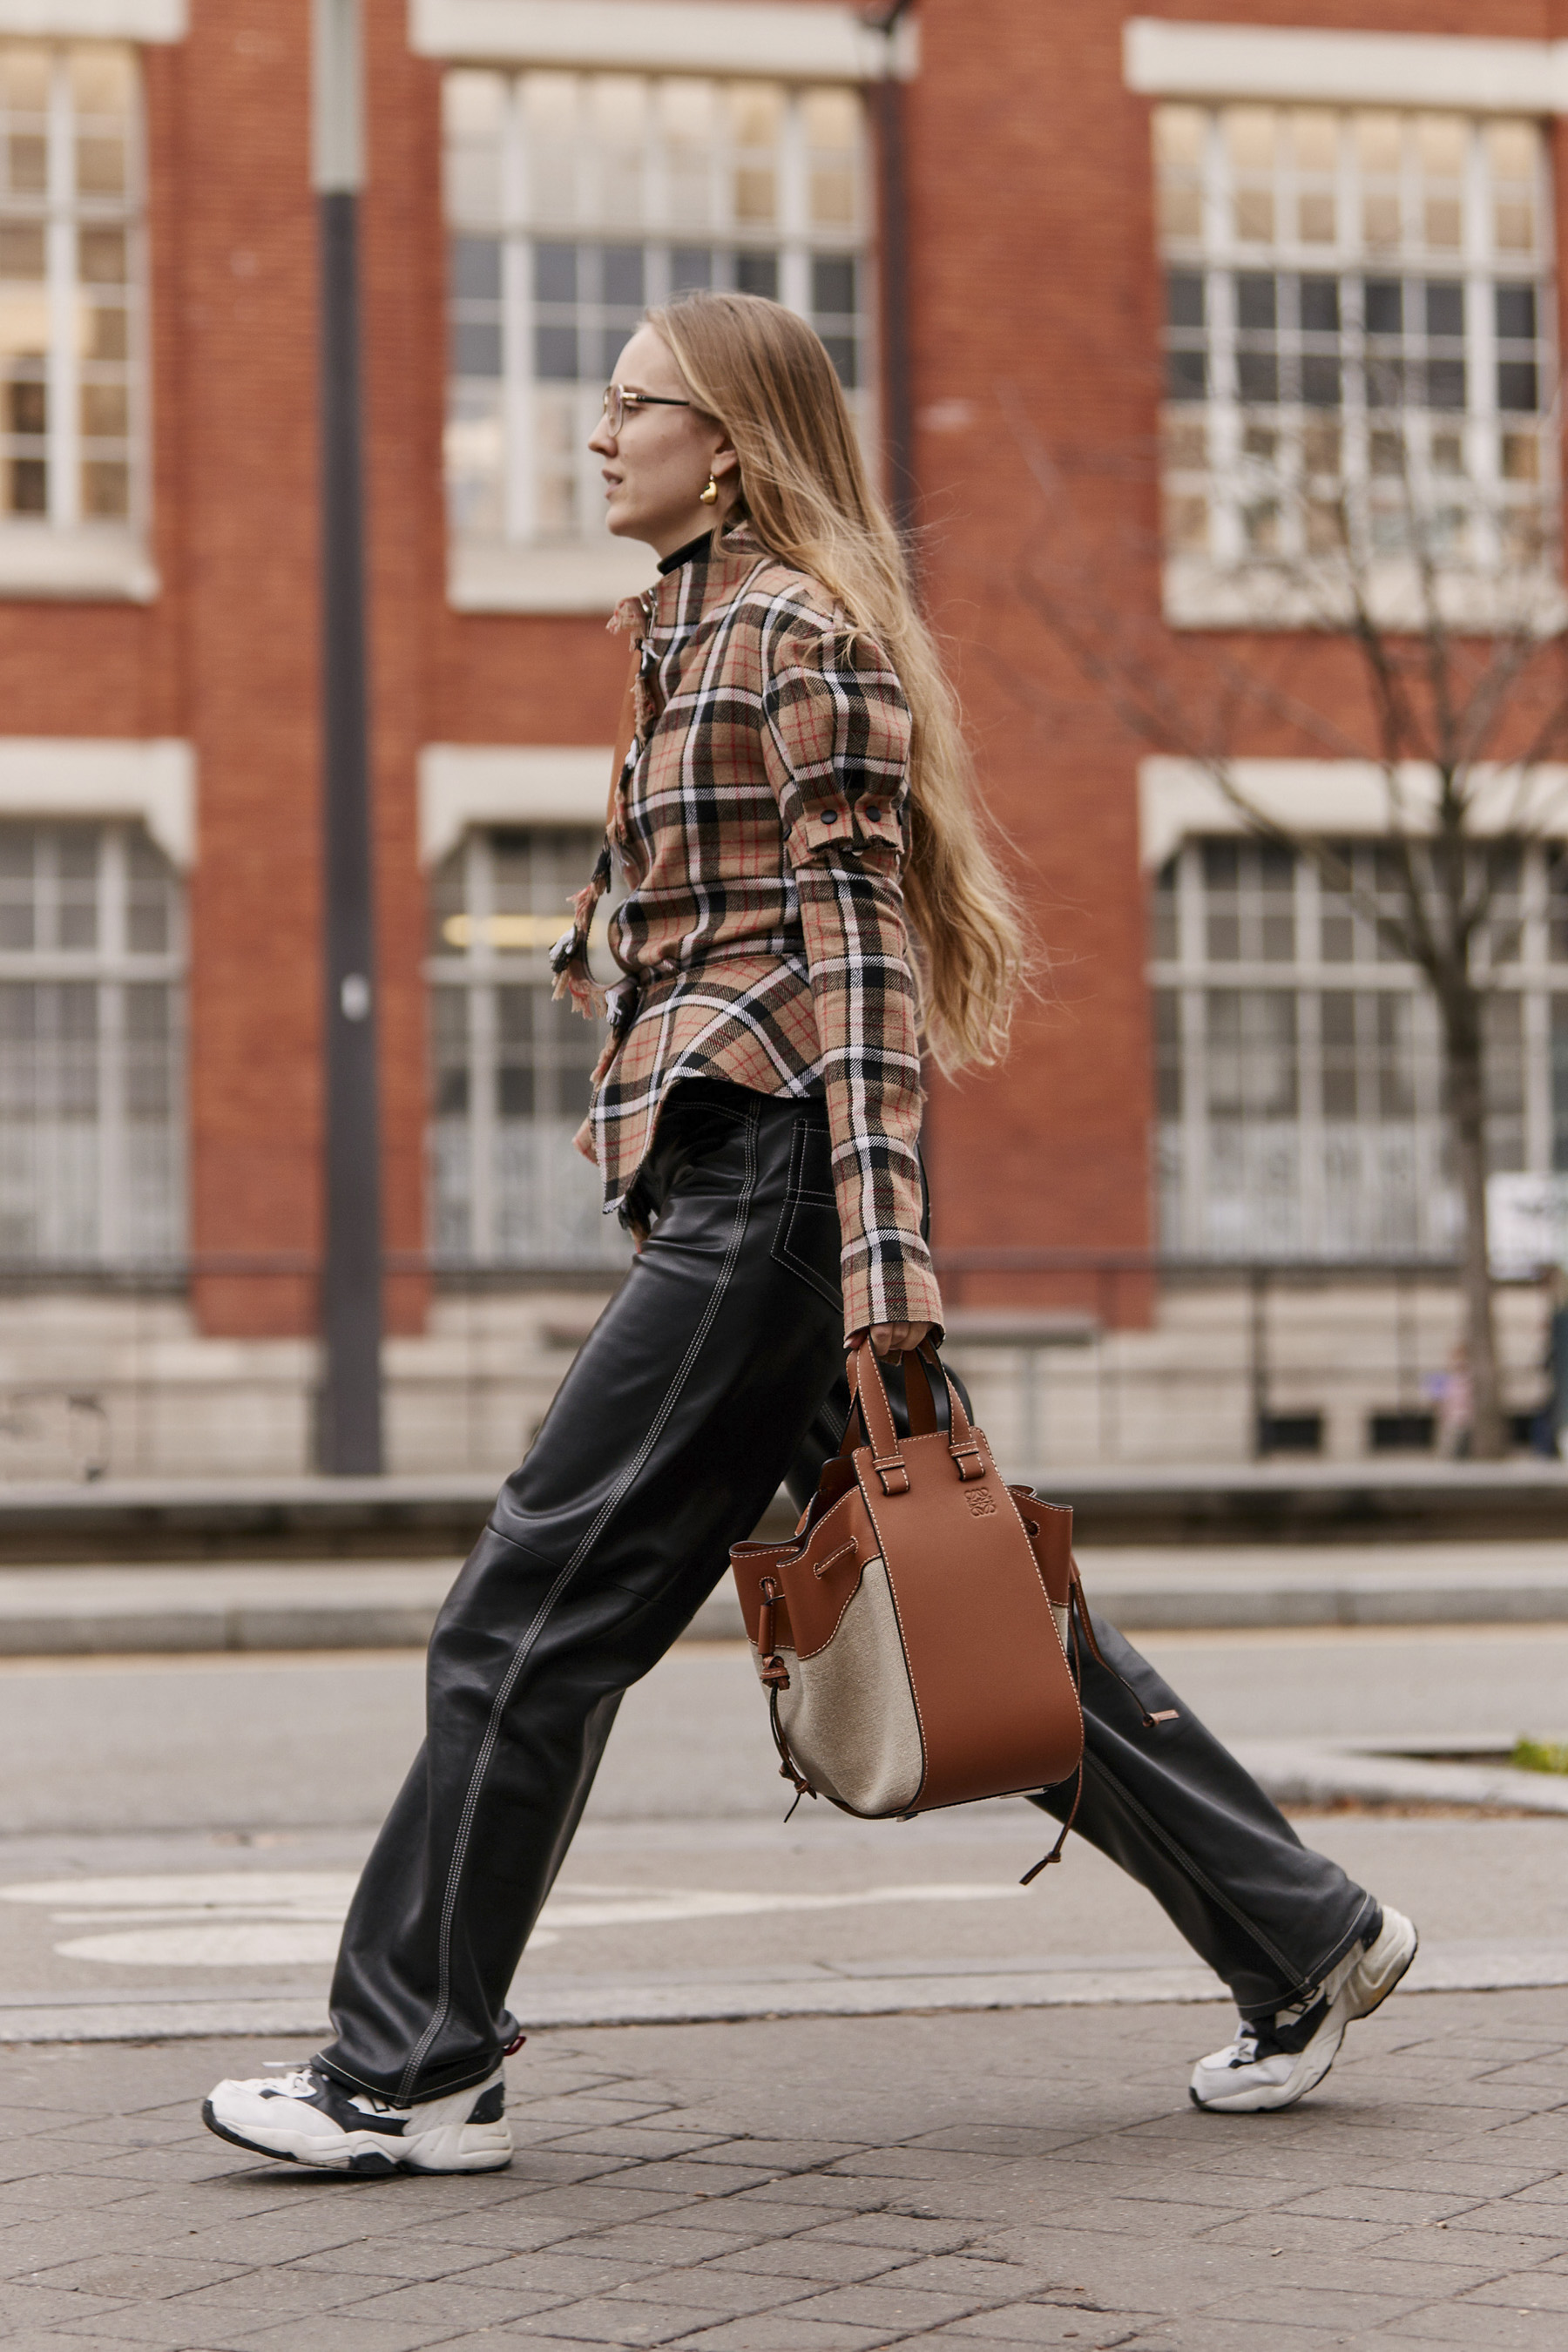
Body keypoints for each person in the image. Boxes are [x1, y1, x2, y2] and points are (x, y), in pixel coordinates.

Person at [202, 293, 1415, 2174]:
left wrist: (886, 1273)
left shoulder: (794, 637)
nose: (593, 435)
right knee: (979, 1622)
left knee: (527, 1609)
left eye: (628, 405)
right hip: (734, 1185)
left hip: (777, 1196)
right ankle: (1306, 1937)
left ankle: (407, 2066)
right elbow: (735, 907)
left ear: (732, 441)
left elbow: (856, 971)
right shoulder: (689, 628)